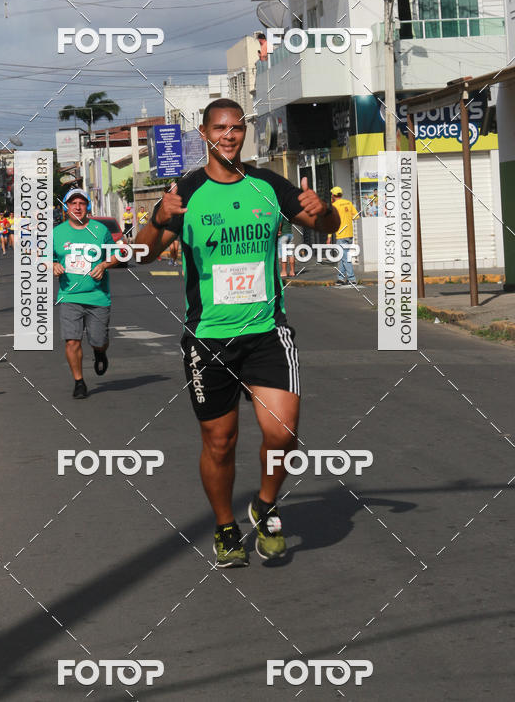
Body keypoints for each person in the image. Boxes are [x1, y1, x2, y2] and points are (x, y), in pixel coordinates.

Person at [136, 99, 339, 567]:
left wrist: (323, 211)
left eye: (237, 128)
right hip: (208, 338)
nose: (229, 135)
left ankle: (265, 503)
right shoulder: (185, 193)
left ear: (244, 132)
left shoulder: (268, 185)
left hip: (267, 330)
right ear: (205, 133)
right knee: (220, 442)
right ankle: (226, 525)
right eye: (220, 128)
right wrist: (158, 219)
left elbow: (324, 226)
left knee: (282, 431)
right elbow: (143, 256)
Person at [53, 188, 120, 399]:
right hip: (69, 296)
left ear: (87, 207)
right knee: (72, 341)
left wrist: (105, 264)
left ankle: (100, 352)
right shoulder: (56, 233)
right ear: (66, 208)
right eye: (73, 203)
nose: (78, 207)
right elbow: (43, 257)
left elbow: (118, 252)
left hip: (97, 296)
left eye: (82, 203)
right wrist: (53, 264)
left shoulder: (100, 230)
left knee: (98, 340)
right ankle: (79, 382)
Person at [326, 186, 360, 287]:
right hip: (349, 234)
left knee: (345, 258)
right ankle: (340, 278)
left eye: (331, 194)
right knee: (342, 257)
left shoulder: (334, 206)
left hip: (341, 235)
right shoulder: (348, 203)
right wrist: (347, 219)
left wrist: (328, 237)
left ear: (333, 195)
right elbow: (356, 216)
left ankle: (352, 279)